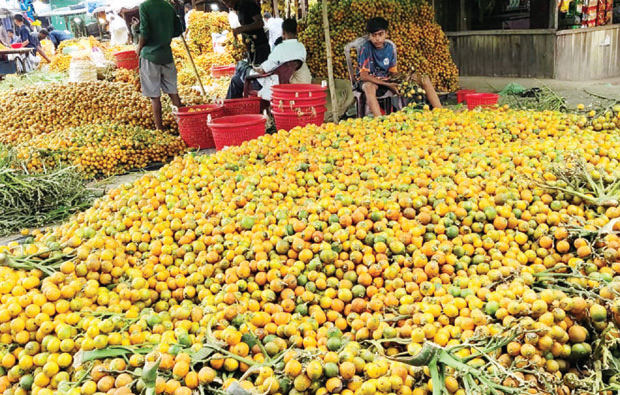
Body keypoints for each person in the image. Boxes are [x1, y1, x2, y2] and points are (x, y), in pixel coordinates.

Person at [357, 17, 441, 117]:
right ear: (369, 36)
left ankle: (440, 112)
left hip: (387, 79)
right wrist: (388, 85)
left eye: (380, 34)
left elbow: (393, 73)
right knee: (369, 87)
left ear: (386, 33)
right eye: (374, 35)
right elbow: (364, 76)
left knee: (424, 78)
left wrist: (406, 76)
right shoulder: (366, 48)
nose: (377, 38)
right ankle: (379, 121)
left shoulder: (389, 48)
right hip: (371, 81)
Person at [226, 18, 311, 100]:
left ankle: (229, 106)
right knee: (236, 79)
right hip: (285, 80)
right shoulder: (301, 47)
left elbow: (262, 71)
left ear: (283, 32)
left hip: (270, 83)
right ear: (296, 31)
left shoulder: (280, 48)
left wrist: (254, 68)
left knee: (241, 65)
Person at [132, 0, 183, 130]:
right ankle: (183, 125)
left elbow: (145, 32)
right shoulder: (168, 6)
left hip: (150, 55)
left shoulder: (145, 6)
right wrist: (163, 33)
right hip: (166, 55)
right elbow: (178, 30)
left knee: (155, 97)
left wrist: (139, 46)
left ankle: (159, 129)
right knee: (173, 93)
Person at [222, 0, 270, 65]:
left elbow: (260, 23)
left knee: (261, 70)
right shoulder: (239, 8)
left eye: (228, 2)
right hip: (251, 47)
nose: (228, 5)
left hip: (259, 46)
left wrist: (241, 29)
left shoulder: (247, 4)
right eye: (225, 4)